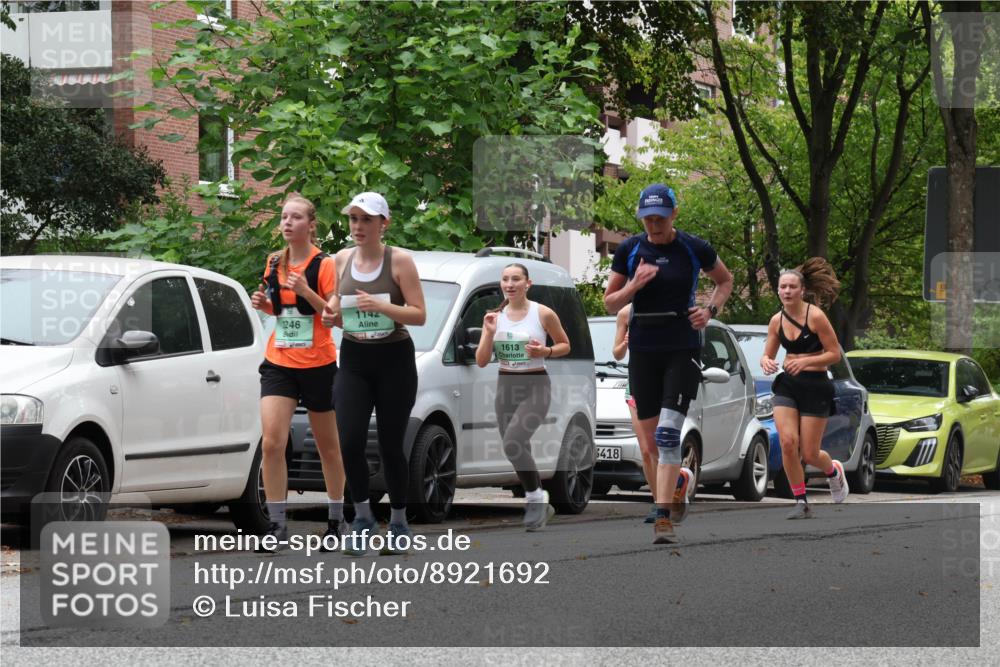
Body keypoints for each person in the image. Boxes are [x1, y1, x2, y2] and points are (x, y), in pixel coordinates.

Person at [604, 183, 733, 544]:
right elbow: (610, 304)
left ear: (674, 214)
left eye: (660, 218)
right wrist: (634, 285)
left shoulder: (694, 247)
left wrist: (709, 310)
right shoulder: (630, 249)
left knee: (666, 434)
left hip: (682, 345)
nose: (653, 225)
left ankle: (662, 517)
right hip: (644, 348)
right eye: (647, 219)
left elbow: (724, 280)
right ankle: (677, 482)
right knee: (648, 445)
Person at [322, 192, 426, 556]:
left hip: (394, 358)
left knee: (389, 445)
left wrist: (383, 305)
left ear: (384, 223)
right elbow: (338, 299)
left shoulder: (399, 261)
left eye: (366, 219)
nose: (358, 226)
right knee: (348, 440)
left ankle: (398, 521)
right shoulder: (341, 258)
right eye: (353, 219)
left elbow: (419, 313)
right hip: (354, 357)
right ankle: (363, 518)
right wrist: (330, 314)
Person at [250, 195, 346, 552]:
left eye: (295, 217)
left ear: (310, 224)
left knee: (327, 446)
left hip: (318, 362)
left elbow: (332, 316)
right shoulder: (274, 260)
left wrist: (307, 290)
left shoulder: (325, 265)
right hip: (279, 360)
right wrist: (265, 305)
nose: (287, 222)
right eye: (284, 217)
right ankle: (277, 525)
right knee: (272, 442)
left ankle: (336, 520)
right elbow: (279, 307)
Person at [475, 263, 570, 531]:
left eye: (516, 279)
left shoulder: (543, 313)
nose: (510, 284)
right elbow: (481, 361)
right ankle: (540, 501)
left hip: (536, 384)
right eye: (505, 279)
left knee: (513, 441)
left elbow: (565, 344)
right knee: (515, 446)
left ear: (528, 284)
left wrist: (545, 352)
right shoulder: (494, 317)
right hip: (506, 385)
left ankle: (535, 498)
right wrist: (489, 334)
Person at [759, 258, 849, 518]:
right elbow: (768, 354)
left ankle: (833, 471)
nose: (786, 291)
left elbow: (834, 354)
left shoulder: (816, 316)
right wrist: (766, 361)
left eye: (791, 287)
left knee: (809, 453)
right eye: (782, 287)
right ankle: (801, 501)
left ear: (802, 291)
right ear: (777, 290)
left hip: (816, 386)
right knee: (788, 443)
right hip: (788, 386)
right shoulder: (776, 320)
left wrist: (806, 361)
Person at [611, 303, 659, 523]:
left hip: (666, 382)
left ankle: (677, 481)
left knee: (664, 444)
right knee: (647, 450)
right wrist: (625, 343)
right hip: (637, 385)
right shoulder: (625, 313)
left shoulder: (669, 306)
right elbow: (617, 354)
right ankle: (660, 503)